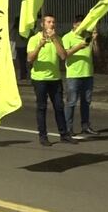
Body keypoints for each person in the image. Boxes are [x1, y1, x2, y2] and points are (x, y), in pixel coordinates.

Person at [27, 14, 76, 146]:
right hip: (40, 79)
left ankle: (64, 134)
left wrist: (54, 39)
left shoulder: (58, 39)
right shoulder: (34, 39)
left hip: (55, 78)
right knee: (41, 107)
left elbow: (63, 56)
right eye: (49, 22)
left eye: (53, 22)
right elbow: (29, 59)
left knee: (59, 107)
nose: (52, 24)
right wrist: (39, 45)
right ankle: (43, 136)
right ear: (42, 24)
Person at [62, 15, 99, 136]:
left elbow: (97, 53)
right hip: (73, 75)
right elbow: (64, 54)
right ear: (74, 25)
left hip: (87, 73)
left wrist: (94, 40)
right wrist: (78, 46)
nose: (82, 27)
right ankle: (68, 128)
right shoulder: (67, 37)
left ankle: (85, 125)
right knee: (71, 102)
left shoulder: (87, 37)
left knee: (86, 102)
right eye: (79, 25)